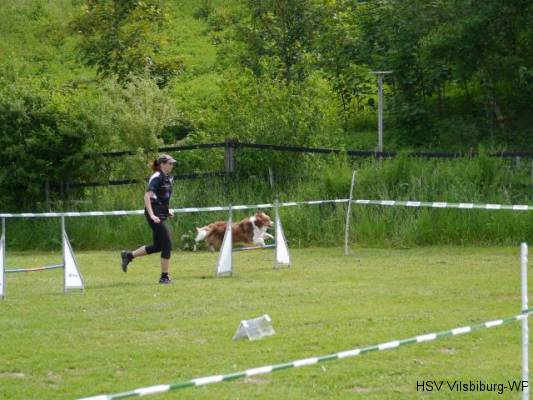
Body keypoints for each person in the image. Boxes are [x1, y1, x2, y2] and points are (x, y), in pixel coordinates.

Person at [121, 154, 176, 284]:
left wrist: (167, 211)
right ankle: (164, 277)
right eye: (169, 163)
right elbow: (147, 196)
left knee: (158, 246)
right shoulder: (157, 177)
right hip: (154, 214)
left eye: (172, 163)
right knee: (167, 243)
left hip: (160, 213)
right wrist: (152, 215)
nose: (172, 165)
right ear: (162, 164)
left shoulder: (167, 178)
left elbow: (161, 198)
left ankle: (128, 255)